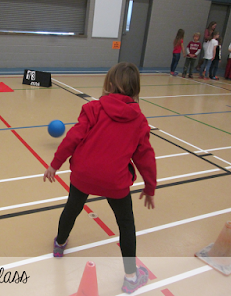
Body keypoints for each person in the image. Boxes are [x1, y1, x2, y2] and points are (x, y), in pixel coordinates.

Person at [43, 62, 157, 294]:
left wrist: (55, 164)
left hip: (83, 175)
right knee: (126, 225)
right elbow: (145, 155)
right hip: (115, 181)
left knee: (72, 208)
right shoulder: (139, 120)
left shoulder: (93, 108)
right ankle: (131, 276)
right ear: (135, 90)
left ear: (109, 84)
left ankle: (60, 244)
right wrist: (150, 186)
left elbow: (72, 138)